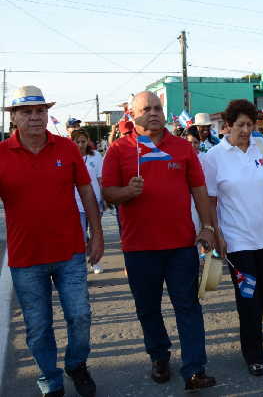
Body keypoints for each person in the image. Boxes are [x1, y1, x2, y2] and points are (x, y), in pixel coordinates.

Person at [102, 91, 217, 390]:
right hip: (139, 248)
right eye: (146, 109)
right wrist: (127, 192)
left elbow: (199, 189)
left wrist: (207, 227)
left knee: (188, 307)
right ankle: (159, 355)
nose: (153, 113)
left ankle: (194, 369)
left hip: (180, 245)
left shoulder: (182, 148)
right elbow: (108, 194)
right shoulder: (118, 150)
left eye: (157, 108)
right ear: (133, 114)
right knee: (148, 309)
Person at [0, 86, 103, 397]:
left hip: (69, 251)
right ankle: (50, 379)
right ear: (14, 117)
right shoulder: (1, 153)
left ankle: (76, 364)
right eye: (27, 112)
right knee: (39, 327)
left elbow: (86, 191)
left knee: (80, 316)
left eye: (40, 110)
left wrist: (96, 234)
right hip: (25, 257)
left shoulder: (67, 148)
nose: (35, 116)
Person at [204, 100, 263, 376]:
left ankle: (254, 330)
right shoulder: (214, 156)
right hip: (236, 240)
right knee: (247, 295)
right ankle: (253, 351)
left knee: (261, 291)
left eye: (251, 124)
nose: (247, 130)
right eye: (241, 125)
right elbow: (210, 201)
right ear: (227, 126)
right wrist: (217, 235)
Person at [71, 128, 105, 275]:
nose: (80, 144)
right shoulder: (69, 156)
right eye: (77, 141)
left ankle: (95, 262)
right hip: (76, 204)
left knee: (94, 233)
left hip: (95, 202)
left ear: (88, 141)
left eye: (83, 141)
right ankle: (81, 264)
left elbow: (100, 179)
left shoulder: (96, 156)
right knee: (80, 236)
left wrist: (104, 198)